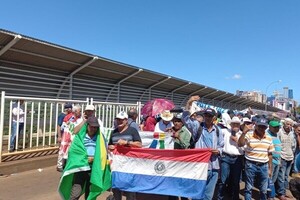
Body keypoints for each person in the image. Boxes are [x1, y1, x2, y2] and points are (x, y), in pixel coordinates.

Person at [182, 95, 224, 200]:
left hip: (214, 167)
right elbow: (185, 119)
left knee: (208, 196)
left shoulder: (218, 130)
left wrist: (218, 151)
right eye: (206, 115)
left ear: (214, 118)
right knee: (198, 194)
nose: (208, 118)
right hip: (201, 167)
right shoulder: (197, 127)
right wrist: (189, 103)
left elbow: (221, 146)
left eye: (210, 116)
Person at [108, 111, 142, 200]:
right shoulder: (113, 132)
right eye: (118, 120)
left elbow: (139, 144)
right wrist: (110, 147)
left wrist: (127, 142)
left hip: (130, 165)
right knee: (116, 189)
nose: (119, 122)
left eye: (121, 120)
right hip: (117, 166)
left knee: (130, 190)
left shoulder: (132, 130)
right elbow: (109, 146)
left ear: (126, 120)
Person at [238, 118, 274, 200]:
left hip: (264, 166)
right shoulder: (249, 135)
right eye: (260, 126)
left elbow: (270, 154)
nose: (262, 129)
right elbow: (240, 144)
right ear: (256, 126)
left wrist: (270, 168)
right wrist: (244, 132)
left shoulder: (269, 138)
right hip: (251, 165)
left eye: (264, 127)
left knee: (264, 190)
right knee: (248, 188)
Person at [69, 116, 100, 200]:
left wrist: (94, 159)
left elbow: (103, 154)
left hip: (93, 170)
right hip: (80, 168)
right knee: (75, 193)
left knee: (90, 195)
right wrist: (85, 159)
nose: (93, 129)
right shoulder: (80, 138)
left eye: (95, 127)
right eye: (91, 127)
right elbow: (73, 152)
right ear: (87, 126)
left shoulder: (99, 139)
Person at [217, 116, 244, 200]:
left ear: (239, 125)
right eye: (234, 124)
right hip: (226, 158)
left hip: (237, 159)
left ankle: (234, 197)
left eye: (237, 124)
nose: (235, 125)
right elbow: (215, 129)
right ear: (231, 124)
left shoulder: (242, 135)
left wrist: (237, 140)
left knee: (236, 181)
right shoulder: (225, 132)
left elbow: (245, 148)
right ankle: (220, 197)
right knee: (223, 180)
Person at [276, 118, 296, 200]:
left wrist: (293, 157)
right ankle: (281, 193)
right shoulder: (279, 132)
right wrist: (279, 158)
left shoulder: (292, 134)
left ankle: (283, 192)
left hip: (290, 157)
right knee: (281, 177)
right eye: (287, 124)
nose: (289, 126)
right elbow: (277, 145)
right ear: (284, 124)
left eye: (290, 125)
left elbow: (293, 146)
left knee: (286, 177)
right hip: (282, 157)